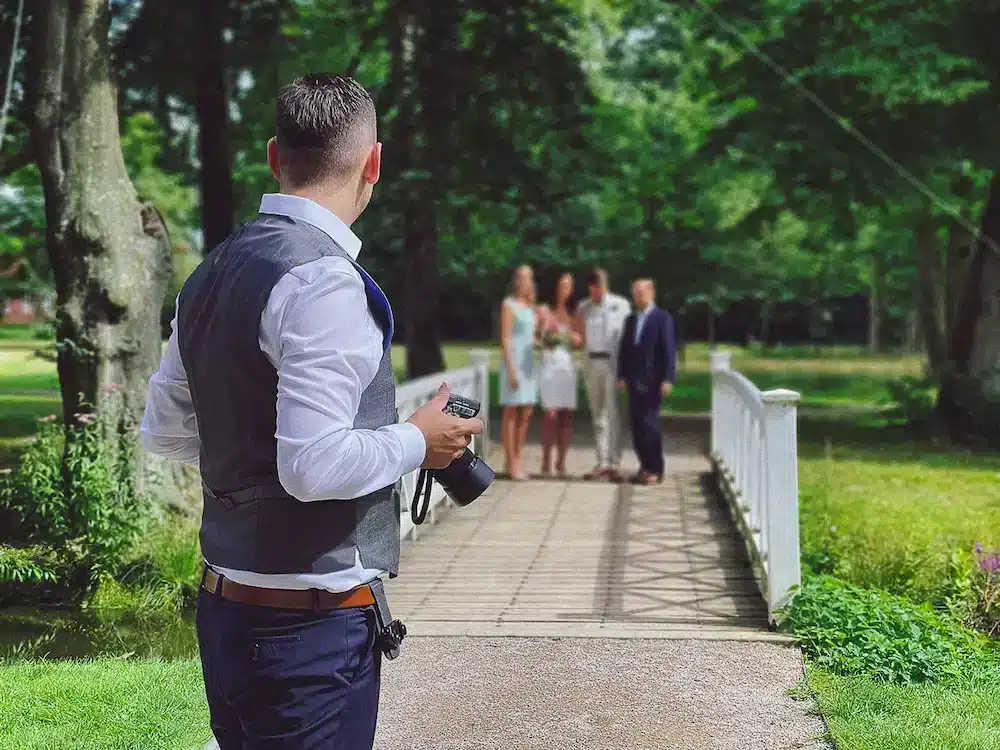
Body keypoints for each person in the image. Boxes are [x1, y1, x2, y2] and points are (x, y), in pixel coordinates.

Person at [139, 74, 483, 750]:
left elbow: (169, 432)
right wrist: (417, 439)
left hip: (225, 612)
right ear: (374, 162)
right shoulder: (324, 280)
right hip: (308, 636)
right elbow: (312, 467)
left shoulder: (212, 270)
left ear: (274, 156)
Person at [617, 278, 676, 485]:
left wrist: (668, 378)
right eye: (636, 292)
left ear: (652, 292)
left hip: (653, 381)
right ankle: (644, 466)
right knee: (636, 426)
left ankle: (656, 468)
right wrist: (621, 375)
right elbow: (624, 350)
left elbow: (669, 350)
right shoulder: (631, 320)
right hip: (633, 380)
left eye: (642, 292)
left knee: (650, 425)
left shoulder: (662, 318)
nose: (639, 296)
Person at [576, 268, 631, 482]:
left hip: (613, 363)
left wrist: (625, 372)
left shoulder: (621, 305)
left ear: (606, 285)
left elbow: (627, 340)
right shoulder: (584, 307)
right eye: (592, 287)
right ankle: (602, 461)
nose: (596, 291)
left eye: (599, 286)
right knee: (597, 414)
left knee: (613, 413)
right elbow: (578, 336)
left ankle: (614, 462)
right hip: (591, 362)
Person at [537, 272, 581, 476]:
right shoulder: (545, 310)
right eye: (562, 285)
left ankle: (561, 462)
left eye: (568, 286)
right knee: (550, 415)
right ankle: (546, 460)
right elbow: (537, 338)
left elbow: (581, 341)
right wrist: (547, 335)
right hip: (549, 368)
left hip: (567, 369)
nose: (565, 289)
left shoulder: (575, 314)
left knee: (566, 416)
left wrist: (573, 338)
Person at [498, 264, 539, 480]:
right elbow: (505, 338)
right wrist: (512, 369)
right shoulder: (509, 304)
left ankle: (518, 456)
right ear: (516, 280)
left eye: (529, 278)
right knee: (512, 411)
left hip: (529, 364)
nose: (526, 281)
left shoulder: (531, 306)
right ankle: (511, 460)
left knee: (528, 411)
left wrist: (542, 343)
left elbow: (532, 336)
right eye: (522, 277)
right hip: (513, 363)